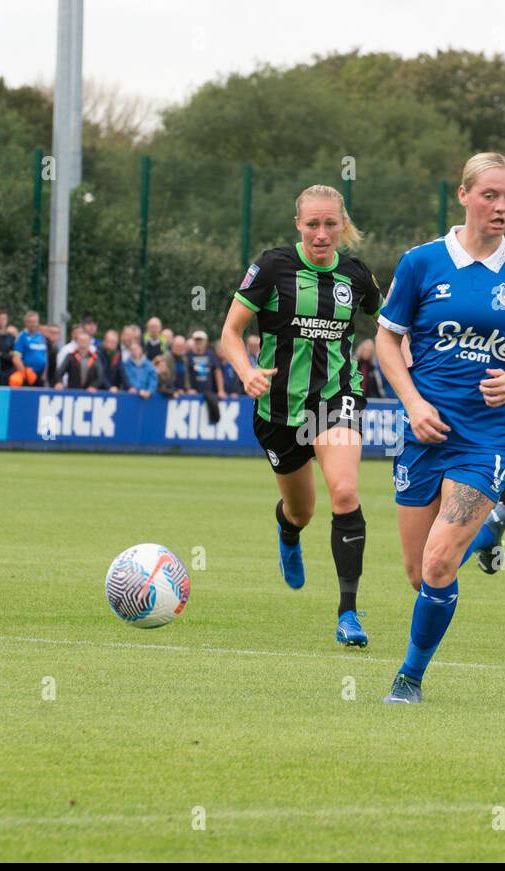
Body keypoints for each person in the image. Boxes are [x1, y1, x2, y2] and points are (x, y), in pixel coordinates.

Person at [374, 152, 505, 704]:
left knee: (438, 560)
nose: (501, 207)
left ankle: (409, 678)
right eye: (490, 195)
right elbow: (385, 340)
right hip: (423, 433)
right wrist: (413, 404)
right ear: (464, 195)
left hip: (488, 436)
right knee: (416, 573)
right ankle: (488, 530)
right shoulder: (421, 263)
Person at [218, 182, 383, 649]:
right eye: (312, 223)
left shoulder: (357, 276)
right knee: (302, 510)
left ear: (342, 224)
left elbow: (391, 327)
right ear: (299, 224)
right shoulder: (272, 267)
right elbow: (230, 332)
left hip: (336, 401)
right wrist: (245, 370)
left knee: (346, 493)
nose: (322, 233)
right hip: (277, 411)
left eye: (331, 223)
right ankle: (288, 532)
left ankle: (348, 611)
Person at [11, 310, 49, 386]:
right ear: (25, 323)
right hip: (28, 375)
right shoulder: (22, 336)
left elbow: (46, 356)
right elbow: (16, 358)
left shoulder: (42, 337)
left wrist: (45, 374)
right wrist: (24, 374)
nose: (33, 324)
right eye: (30, 322)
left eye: (35, 322)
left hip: (41, 376)